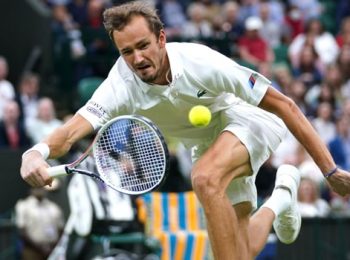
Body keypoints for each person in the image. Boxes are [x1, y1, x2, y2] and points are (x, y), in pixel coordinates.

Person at [20, 2, 350, 259]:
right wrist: (36, 153)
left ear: (162, 38)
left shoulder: (201, 62)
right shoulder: (119, 85)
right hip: (206, 144)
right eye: (127, 51)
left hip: (248, 120)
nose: (137, 58)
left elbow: (285, 105)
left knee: (205, 178)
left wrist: (330, 169)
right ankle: (281, 197)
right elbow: (71, 130)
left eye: (143, 45)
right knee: (241, 250)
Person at [15, 187, 64, 260]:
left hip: (53, 250)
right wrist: (40, 248)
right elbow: (22, 231)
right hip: (32, 251)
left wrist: (53, 247)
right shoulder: (24, 206)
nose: (39, 190)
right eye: (36, 187)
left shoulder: (53, 207)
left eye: (41, 187)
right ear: (31, 189)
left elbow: (61, 229)